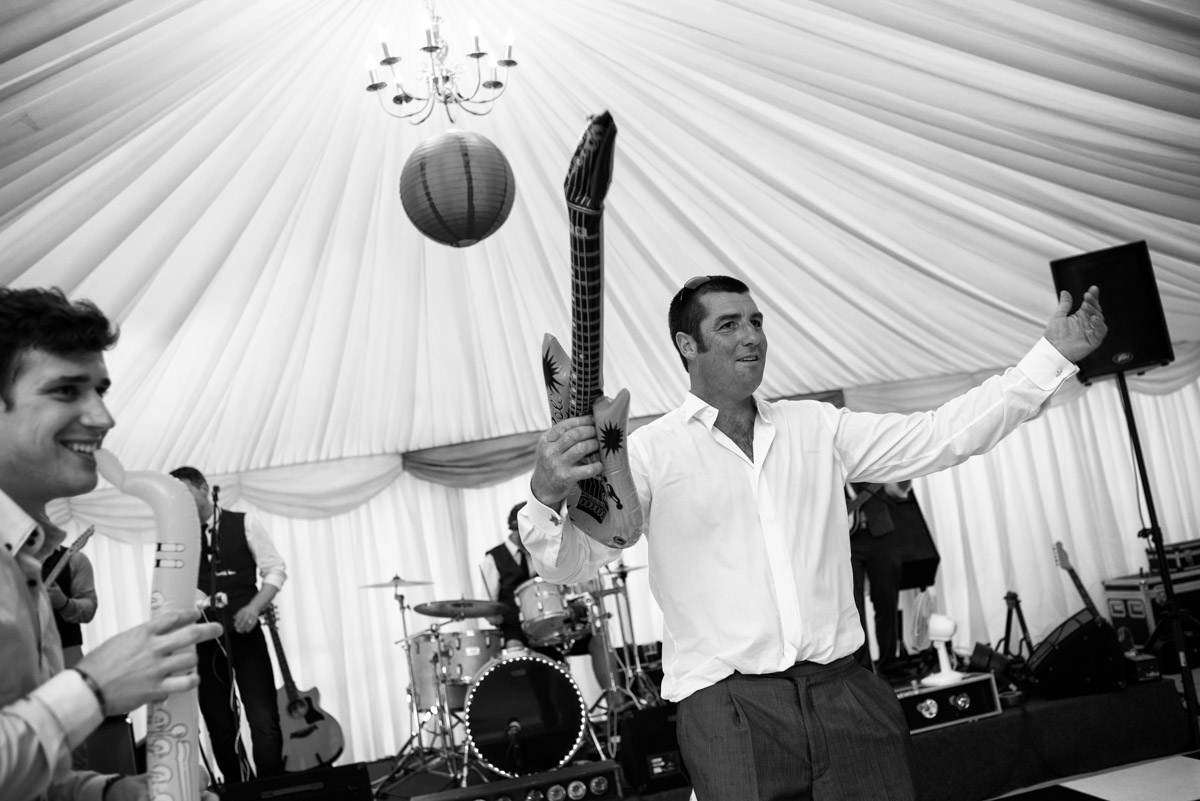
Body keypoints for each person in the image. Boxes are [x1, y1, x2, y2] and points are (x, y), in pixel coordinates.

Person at [519, 274, 1106, 800]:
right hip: (730, 709)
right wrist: (546, 496)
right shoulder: (647, 454)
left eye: (756, 322)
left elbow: (941, 436)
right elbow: (572, 564)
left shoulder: (818, 426)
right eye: (729, 325)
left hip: (845, 692)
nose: (752, 337)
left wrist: (1051, 357)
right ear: (686, 345)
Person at [0, 286, 222, 801]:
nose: (104, 418)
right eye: (66, 391)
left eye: (100, 390)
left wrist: (119, 793)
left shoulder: (25, 566)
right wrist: (94, 688)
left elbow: (31, 782)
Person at [169, 466, 286, 786]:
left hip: (246, 638)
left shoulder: (244, 522)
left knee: (264, 719)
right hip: (204, 641)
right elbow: (170, 589)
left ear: (204, 489)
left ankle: (271, 788)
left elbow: (275, 570)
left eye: (185, 493)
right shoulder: (174, 539)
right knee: (220, 725)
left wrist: (254, 606)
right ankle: (239, 791)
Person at [480, 502, 617, 702]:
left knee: (599, 640)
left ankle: (617, 703)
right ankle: (538, 716)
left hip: (556, 622)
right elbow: (487, 605)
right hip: (517, 628)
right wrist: (497, 616)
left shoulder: (544, 550)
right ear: (516, 529)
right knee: (514, 658)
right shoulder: (493, 559)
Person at [848, 480, 912, 675]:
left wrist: (905, 471)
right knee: (853, 609)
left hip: (881, 533)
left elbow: (898, 491)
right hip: (846, 540)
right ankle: (863, 671)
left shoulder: (871, 453)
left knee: (887, 601)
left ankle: (889, 663)